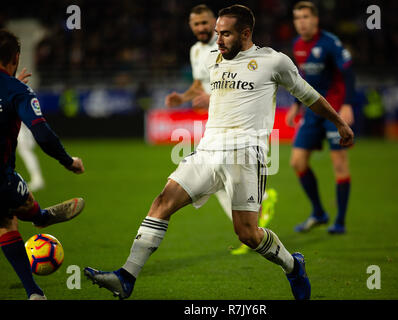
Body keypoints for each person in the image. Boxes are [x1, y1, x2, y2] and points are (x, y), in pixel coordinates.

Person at [84, 4, 353, 300]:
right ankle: (127, 276)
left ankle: (292, 265)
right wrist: (193, 97)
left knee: (247, 234)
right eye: (217, 33)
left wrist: (340, 122)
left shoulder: (273, 62)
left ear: (246, 33)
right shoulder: (215, 58)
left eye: (225, 34)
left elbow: (309, 95)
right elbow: (213, 87)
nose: (219, 40)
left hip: (246, 154)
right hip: (207, 150)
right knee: (162, 202)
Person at [164, 4, 277, 255]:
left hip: (236, 124)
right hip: (215, 123)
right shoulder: (197, 52)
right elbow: (198, 83)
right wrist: (183, 98)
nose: (202, 28)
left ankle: (251, 225)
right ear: (191, 27)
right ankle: (252, 221)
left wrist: (210, 96)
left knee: (222, 177)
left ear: (214, 22)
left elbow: (240, 83)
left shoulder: (228, 47)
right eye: (196, 24)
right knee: (219, 181)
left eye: (206, 23)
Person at [0, 29, 85, 300]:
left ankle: (34, 293)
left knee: (5, 220)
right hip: (1, 178)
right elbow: (43, 134)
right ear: (15, 58)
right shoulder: (17, 91)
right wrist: (68, 161)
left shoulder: (14, 89)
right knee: (10, 211)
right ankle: (41, 217)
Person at [285, 1, 355, 234]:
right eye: (297, 18)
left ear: (315, 19)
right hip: (311, 110)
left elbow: (348, 73)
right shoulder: (297, 45)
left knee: (339, 163)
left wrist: (347, 105)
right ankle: (319, 212)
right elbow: (302, 80)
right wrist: (296, 106)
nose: (301, 22)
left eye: (305, 16)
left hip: (333, 110)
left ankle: (341, 222)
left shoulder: (330, 42)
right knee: (297, 162)